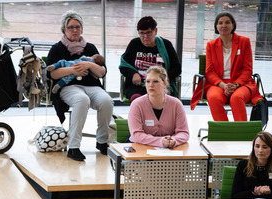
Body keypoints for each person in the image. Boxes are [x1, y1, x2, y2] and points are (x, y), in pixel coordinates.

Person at [46, 10, 113, 162]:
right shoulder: (57, 48)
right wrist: (74, 69)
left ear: (82, 29)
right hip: (69, 87)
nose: (75, 30)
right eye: (71, 27)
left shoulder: (90, 48)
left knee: (106, 101)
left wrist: (89, 64)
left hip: (92, 86)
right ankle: (73, 146)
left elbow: (102, 72)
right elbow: (52, 74)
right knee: (82, 100)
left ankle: (102, 141)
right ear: (64, 29)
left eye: (77, 27)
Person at [190, 12, 261, 122]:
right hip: (219, 83)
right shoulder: (211, 45)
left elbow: (247, 69)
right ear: (216, 26)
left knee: (236, 98)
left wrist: (236, 85)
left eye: (227, 22)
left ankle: (241, 133)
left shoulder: (244, 42)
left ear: (233, 25)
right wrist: (223, 85)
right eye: (220, 23)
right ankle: (224, 131)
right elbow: (209, 72)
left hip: (241, 82)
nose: (224, 25)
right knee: (213, 98)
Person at [119, 16, 182, 102]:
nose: (145, 36)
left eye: (148, 33)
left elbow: (177, 69)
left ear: (155, 31)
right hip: (137, 86)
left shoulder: (166, 45)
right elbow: (124, 65)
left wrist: (159, 78)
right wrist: (133, 73)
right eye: (141, 33)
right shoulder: (134, 44)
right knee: (138, 100)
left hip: (159, 85)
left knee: (156, 99)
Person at [127, 66, 189, 149]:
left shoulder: (176, 104)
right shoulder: (137, 104)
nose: (151, 85)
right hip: (141, 148)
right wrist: (160, 141)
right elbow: (136, 135)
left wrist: (174, 140)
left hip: (169, 149)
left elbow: (184, 132)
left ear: (164, 83)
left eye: (155, 81)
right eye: (148, 81)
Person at [231, 131, 272, 199]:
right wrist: (254, 191)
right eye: (257, 146)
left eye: (265, 147)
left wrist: (270, 191)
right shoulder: (243, 165)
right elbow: (234, 196)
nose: (260, 150)